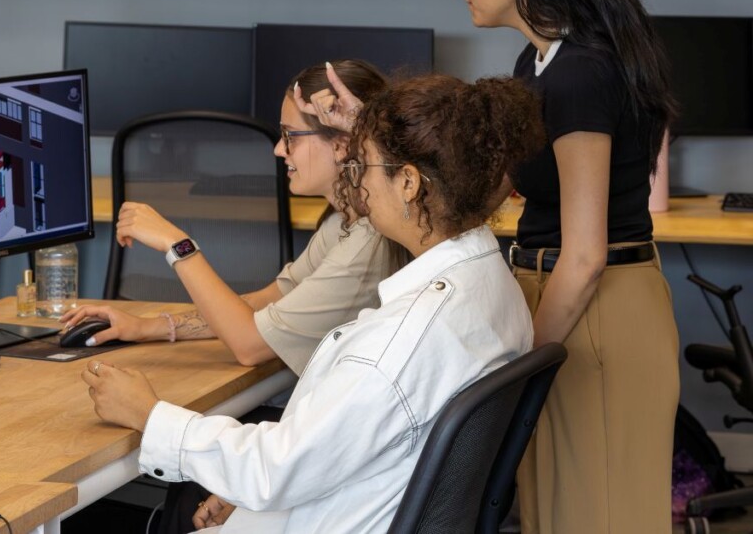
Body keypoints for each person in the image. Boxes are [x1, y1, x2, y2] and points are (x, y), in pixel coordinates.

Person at [81, 74, 542, 533]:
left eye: (366, 166)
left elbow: (274, 470)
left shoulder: (394, 347)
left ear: (407, 183)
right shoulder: (493, 285)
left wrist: (148, 413)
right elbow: (314, 454)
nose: (356, 180)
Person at [63, 60, 403, 532]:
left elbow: (249, 344)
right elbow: (269, 299)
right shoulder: (344, 224)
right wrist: (150, 327)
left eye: (291, 136)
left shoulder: (366, 245)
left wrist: (177, 246)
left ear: (341, 142)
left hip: (327, 472)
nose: (278, 149)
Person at [452, 0, 680, 534]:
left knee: (600, 517)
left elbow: (582, 254)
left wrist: (526, 363)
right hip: (555, 299)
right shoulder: (538, 61)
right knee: (554, 515)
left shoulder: (580, 72)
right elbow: (492, 186)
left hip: (595, 309)